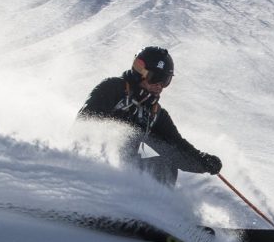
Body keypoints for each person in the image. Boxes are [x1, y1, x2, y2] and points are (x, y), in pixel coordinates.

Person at [77, 46, 221, 186]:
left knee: (166, 166)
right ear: (140, 71)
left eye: (165, 80)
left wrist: (203, 161)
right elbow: (85, 122)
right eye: (156, 78)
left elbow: (177, 147)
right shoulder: (114, 88)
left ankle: (150, 204)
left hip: (126, 170)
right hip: (94, 159)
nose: (159, 85)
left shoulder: (156, 113)